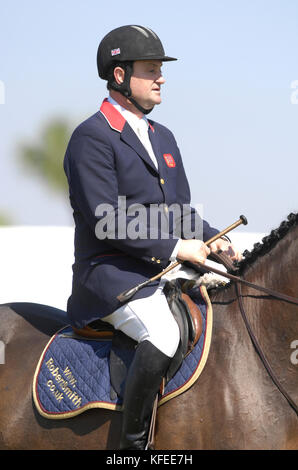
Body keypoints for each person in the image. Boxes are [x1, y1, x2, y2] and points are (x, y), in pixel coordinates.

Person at [63, 25, 242, 450]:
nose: (161, 78)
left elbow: (179, 212)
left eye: (161, 70)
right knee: (163, 334)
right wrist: (176, 248)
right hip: (109, 277)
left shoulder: (163, 137)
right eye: (151, 70)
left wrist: (214, 238)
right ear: (120, 76)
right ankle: (132, 449)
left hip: (161, 274)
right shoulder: (92, 137)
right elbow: (106, 218)